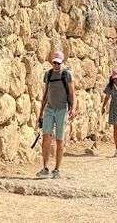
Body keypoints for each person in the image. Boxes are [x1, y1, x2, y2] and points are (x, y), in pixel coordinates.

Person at [36, 50, 75, 179]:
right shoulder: (48, 74)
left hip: (62, 110)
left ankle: (57, 169)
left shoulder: (67, 75)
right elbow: (46, 93)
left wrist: (72, 108)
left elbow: (71, 93)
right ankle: (45, 168)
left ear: (62, 62)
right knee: (46, 138)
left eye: (58, 63)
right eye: (54, 63)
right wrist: (41, 112)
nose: (56, 65)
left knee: (59, 140)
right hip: (49, 109)